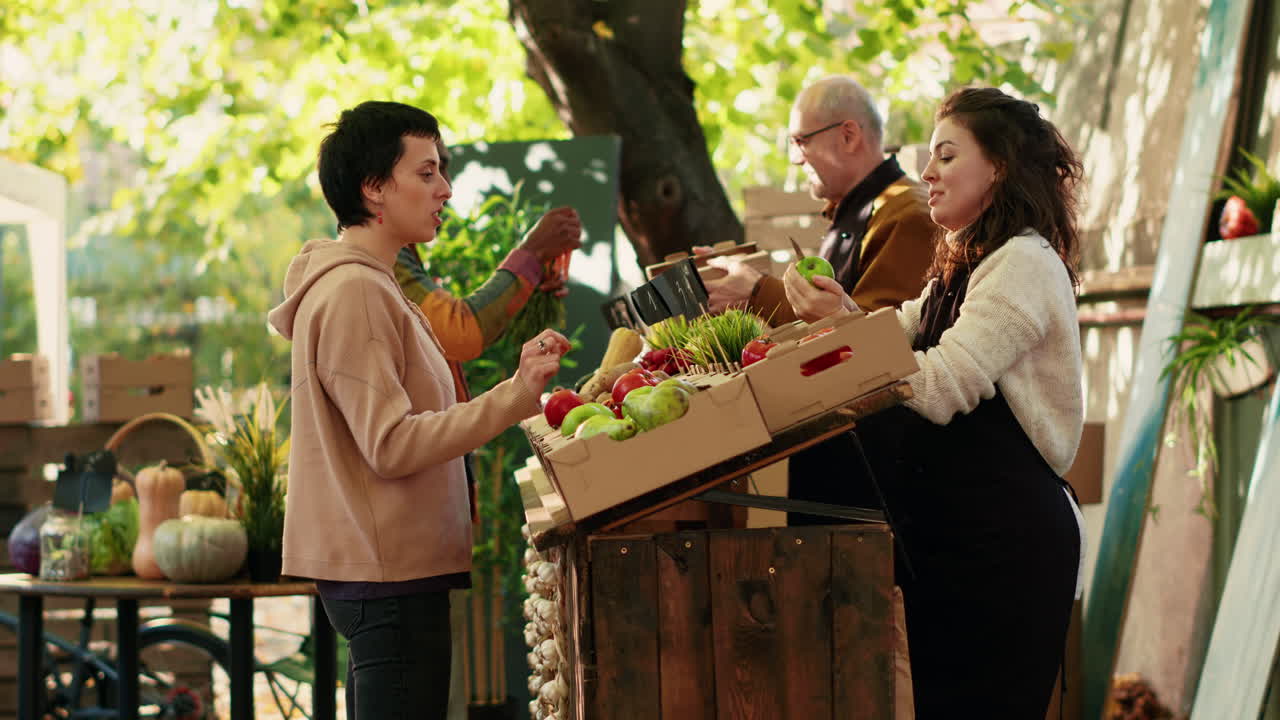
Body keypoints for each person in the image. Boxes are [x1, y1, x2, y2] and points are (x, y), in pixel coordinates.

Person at [783, 87, 1086, 716]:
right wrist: (836, 309)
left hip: (1008, 548)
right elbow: (897, 330)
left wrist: (841, 328)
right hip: (953, 540)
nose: (926, 173)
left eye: (946, 156)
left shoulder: (1023, 263)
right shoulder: (965, 265)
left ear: (998, 166)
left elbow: (942, 385)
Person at [266, 100, 570, 720]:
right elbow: (392, 443)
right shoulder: (354, 291)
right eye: (426, 173)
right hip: (387, 580)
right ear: (374, 189)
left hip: (396, 574)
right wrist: (514, 393)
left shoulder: (373, 283)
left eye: (443, 172)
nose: (446, 190)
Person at [701, 74, 936, 318]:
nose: (795, 158)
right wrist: (740, 277)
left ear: (849, 136)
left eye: (801, 141)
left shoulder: (909, 217)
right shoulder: (855, 211)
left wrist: (759, 293)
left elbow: (875, 336)